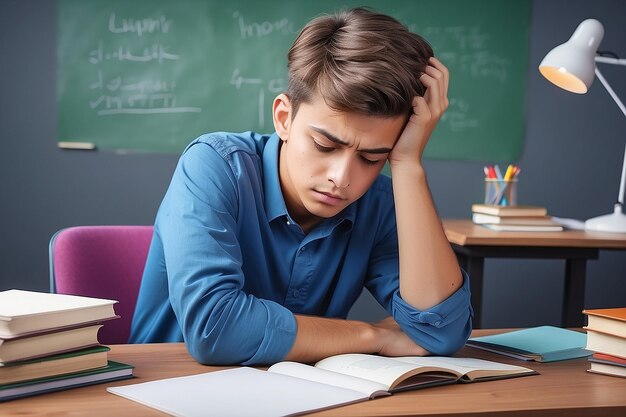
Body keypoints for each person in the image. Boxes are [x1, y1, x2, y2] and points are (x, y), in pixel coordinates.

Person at [130, 7, 472, 365]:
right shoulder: (214, 165)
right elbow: (215, 329)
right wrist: (373, 336)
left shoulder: (380, 203)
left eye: (372, 158)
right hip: (170, 387)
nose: (342, 178)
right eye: (326, 146)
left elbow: (441, 331)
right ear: (283, 118)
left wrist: (407, 166)